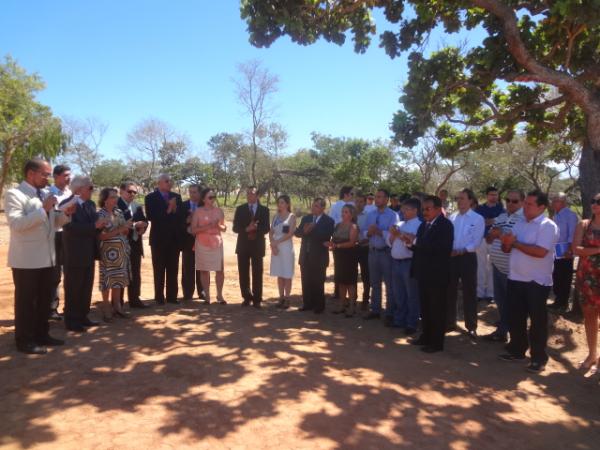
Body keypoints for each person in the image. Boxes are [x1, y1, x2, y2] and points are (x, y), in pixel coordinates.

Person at [5, 158, 75, 354]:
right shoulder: (15, 194)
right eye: (45, 174)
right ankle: (25, 341)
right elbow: (17, 225)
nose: (48, 178)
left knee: (45, 300)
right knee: (27, 302)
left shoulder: (46, 194)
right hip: (26, 260)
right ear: (31, 174)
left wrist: (66, 214)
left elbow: (54, 223)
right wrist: (43, 209)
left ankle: (42, 334)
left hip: (48, 258)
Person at [499, 190, 559, 373]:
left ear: (542, 207)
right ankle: (517, 350)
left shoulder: (547, 226)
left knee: (537, 321)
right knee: (515, 317)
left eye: (530, 204)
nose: (525, 207)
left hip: (536, 282)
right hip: (516, 278)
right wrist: (506, 242)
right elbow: (506, 249)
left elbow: (540, 252)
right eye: (525, 204)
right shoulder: (520, 223)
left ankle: (539, 358)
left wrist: (515, 243)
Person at [401, 195, 454, 353]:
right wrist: (410, 244)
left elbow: (440, 248)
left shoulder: (445, 225)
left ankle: (436, 343)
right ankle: (426, 336)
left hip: (437, 275)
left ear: (438, 209)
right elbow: (420, 248)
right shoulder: (424, 225)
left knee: (437, 309)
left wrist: (416, 242)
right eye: (423, 209)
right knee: (425, 308)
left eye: (428, 209)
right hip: (423, 273)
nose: (424, 212)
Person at [61, 176, 106, 332]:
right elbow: (70, 228)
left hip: (89, 252)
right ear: (79, 190)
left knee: (86, 287)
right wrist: (94, 225)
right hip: (74, 253)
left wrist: (101, 225)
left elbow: (94, 227)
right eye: (90, 188)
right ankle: (72, 320)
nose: (92, 191)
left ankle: (82, 316)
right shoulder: (66, 204)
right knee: (74, 287)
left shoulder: (90, 204)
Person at [484, 190, 525, 343]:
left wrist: (499, 234)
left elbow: (513, 242)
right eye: (507, 200)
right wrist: (494, 234)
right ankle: (502, 331)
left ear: (522, 202)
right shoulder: (501, 216)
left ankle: (515, 338)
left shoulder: (524, 219)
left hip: (512, 269)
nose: (510, 203)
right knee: (501, 302)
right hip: (497, 265)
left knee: (513, 304)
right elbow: (488, 239)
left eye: (514, 201)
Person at [447, 189, 485, 339]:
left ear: (471, 201)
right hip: (452, 258)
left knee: (469, 292)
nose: (460, 201)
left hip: (468, 258)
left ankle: (471, 326)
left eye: (463, 198)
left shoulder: (477, 219)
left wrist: (462, 250)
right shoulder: (452, 217)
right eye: (458, 199)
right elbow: (448, 237)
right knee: (450, 290)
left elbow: (476, 242)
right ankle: (450, 322)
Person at [145, 174, 185, 305]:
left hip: (174, 240)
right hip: (159, 240)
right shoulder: (150, 197)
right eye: (167, 181)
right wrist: (169, 208)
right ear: (159, 183)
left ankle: (172, 297)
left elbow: (181, 218)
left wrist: (175, 209)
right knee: (159, 269)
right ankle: (159, 297)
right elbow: (152, 217)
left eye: (171, 181)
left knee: (173, 269)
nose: (170, 183)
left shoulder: (177, 197)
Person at [571, 193, 600, 373]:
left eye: (599, 202)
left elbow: (583, 250)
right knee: (590, 317)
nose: (595, 204)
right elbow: (576, 249)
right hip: (587, 278)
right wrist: (598, 249)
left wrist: (589, 251)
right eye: (593, 201)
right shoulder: (584, 225)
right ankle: (592, 354)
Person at [387, 198, 422, 334]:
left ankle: (411, 323)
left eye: (407, 209)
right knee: (399, 293)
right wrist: (392, 236)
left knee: (411, 294)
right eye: (403, 209)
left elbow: (413, 242)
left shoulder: (419, 225)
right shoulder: (399, 223)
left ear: (415, 210)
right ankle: (399, 319)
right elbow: (390, 242)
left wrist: (399, 235)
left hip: (409, 262)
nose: (403, 212)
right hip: (395, 261)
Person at [363, 189, 399, 322]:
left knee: (389, 284)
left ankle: (390, 312)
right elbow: (364, 232)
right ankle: (375, 310)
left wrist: (378, 231)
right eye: (376, 197)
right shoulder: (371, 214)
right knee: (375, 283)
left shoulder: (393, 216)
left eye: (380, 197)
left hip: (386, 253)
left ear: (386, 199)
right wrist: (368, 233)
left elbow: (393, 235)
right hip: (372, 252)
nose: (377, 199)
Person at [294, 198, 334, 313]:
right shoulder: (306, 218)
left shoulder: (329, 221)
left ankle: (319, 305)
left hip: (319, 257)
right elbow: (297, 233)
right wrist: (304, 231)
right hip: (305, 255)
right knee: (306, 281)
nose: (313, 207)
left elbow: (326, 236)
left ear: (322, 208)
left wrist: (312, 229)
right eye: (313, 205)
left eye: (316, 206)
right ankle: (307, 304)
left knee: (318, 282)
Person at [97, 188, 132, 322]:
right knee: (107, 279)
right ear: (105, 200)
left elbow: (124, 231)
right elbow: (100, 236)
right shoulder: (100, 214)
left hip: (121, 251)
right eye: (112, 197)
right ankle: (106, 307)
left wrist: (126, 229)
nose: (116, 199)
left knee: (118, 279)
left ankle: (117, 306)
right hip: (108, 253)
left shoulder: (119, 212)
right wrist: (119, 230)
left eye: (116, 197)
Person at [233, 186, 270, 308]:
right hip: (243, 245)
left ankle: (257, 299)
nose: (249, 195)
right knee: (243, 272)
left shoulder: (264, 210)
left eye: (252, 193)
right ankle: (246, 297)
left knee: (257, 272)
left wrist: (256, 228)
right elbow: (235, 228)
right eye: (247, 193)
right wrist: (246, 229)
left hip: (257, 245)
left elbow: (266, 228)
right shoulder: (240, 209)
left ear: (257, 195)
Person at [191, 188, 227, 304]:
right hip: (202, 243)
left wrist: (218, 226)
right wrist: (208, 227)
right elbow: (193, 230)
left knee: (220, 270)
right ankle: (207, 296)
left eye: (214, 197)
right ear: (204, 199)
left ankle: (219, 295)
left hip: (216, 243)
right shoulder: (198, 211)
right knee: (204, 270)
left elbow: (224, 228)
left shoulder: (219, 211)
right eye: (210, 197)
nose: (213, 199)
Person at [118, 181, 148, 308]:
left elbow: (144, 221)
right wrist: (136, 225)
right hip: (121, 244)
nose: (132, 194)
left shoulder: (137, 206)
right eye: (129, 191)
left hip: (135, 244)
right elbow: (118, 224)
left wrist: (143, 227)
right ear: (121, 191)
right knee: (121, 273)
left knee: (135, 273)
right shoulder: (116, 205)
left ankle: (134, 299)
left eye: (134, 192)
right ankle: (118, 302)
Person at [326, 204, 359, 317]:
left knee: (350, 282)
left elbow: (352, 242)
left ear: (351, 214)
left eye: (346, 212)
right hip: (338, 256)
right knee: (340, 281)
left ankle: (351, 306)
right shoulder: (338, 225)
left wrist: (337, 246)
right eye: (342, 211)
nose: (343, 214)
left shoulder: (353, 226)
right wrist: (331, 244)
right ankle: (341, 304)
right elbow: (333, 238)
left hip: (349, 257)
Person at [48, 164, 72, 321]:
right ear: (56, 177)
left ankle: (69, 307)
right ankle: (51, 308)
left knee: (69, 272)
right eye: (65, 175)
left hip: (70, 235)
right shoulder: (49, 193)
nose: (68, 178)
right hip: (56, 235)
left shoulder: (70, 193)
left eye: (70, 175)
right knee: (55, 273)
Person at [548, 192, 579, 312]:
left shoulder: (570, 215)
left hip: (565, 250)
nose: (552, 202)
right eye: (553, 200)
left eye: (555, 200)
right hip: (555, 250)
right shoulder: (556, 214)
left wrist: (570, 250)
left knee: (564, 277)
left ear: (563, 202)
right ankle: (557, 301)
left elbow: (572, 234)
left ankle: (563, 304)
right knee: (556, 275)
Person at [475, 187, 505, 302]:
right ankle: (479, 293)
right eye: (491, 194)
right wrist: (493, 220)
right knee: (480, 266)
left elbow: (500, 223)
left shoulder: (502, 209)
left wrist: (490, 221)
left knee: (492, 266)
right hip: (481, 239)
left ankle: (491, 294)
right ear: (487, 195)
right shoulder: (480, 208)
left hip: (495, 240)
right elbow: (479, 222)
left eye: (496, 195)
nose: (494, 197)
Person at [269, 195, 296, 309]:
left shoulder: (291, 217)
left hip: (286, 247)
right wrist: (273, 244)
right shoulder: (275, 217)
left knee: (287, 274)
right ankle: (280, 297)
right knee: (279, 274)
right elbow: (271, 232)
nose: (280, 205)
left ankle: (287, 298)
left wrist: (277, 242)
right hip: (276, 248)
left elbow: (290, 233)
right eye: (279, 202)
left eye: (282, 202)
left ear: (287, 204)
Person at [181, 184, 205, 301]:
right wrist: (187, 220)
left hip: (203, 241)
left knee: (202, 267)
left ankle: (203, 291)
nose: (192, 194)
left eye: (195, 192)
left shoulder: (205, 205)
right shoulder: (183, 205)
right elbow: (178, 223)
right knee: (187, 267)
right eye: (190, 192)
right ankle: (188, 293)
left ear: (200, 193)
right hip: (187, 241)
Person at [354, 192, 371, 310]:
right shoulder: (350, 214)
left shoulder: (369, 215)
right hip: (352, 248)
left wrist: (365, 240)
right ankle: (353, 298)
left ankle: (365, 299)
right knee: (352, 274)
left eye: (361, 201)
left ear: (365, 203)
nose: (359, 204)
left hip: (365, 248)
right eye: (357, 201)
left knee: (366, 274)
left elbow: (371, 233)